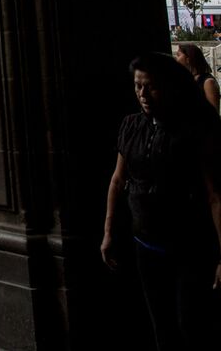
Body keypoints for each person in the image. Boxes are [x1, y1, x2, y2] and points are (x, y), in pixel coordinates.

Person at [101, 51, 221, 350]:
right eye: (138, 86)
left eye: (150, 86)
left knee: (190, 322)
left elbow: (214, 195)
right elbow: (118, 180)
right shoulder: (131, 126)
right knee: (161, 324)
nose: (143, 94)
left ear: (168, 86)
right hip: (146, 245)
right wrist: (108, 231)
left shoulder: (193, 130)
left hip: (189, 246)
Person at [175, 42, 220, 111]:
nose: (176, 59)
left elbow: (214, 114)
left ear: (188, 58)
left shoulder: (208, 82)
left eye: (178, 55)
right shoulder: (187, 79)